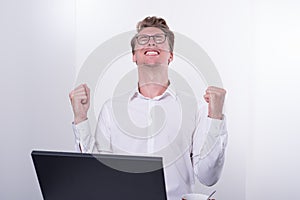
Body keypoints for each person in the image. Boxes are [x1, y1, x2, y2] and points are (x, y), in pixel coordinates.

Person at [69, 16, 228, 200]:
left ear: (170, 55)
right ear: (134, 56)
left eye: (159, 39)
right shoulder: (111, 109)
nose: (151, 42)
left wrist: (215, 118)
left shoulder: (195, 108)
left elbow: (208, 177)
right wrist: (80, 118)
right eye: (143, 39)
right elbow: (96, 174)